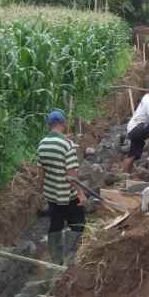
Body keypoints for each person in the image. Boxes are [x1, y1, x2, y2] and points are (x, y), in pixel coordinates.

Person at [38, 110, 86, 265]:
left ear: (49, 125)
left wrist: (43, 191)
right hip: (68, 195)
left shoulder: (42, 144)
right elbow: (71, 175)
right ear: (63, 124)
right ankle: (72, 258)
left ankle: (56, 260)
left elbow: (42, 171)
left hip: (52, 194)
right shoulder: (67, 145)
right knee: (78, 224)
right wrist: (81, 194)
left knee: (56, 224)